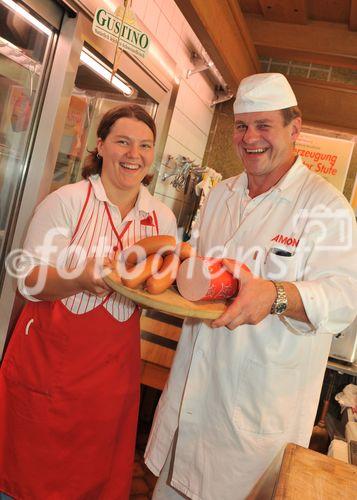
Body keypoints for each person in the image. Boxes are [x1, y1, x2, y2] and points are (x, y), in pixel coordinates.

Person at [144, 73, 357, 499]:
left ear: (294, 129)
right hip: (189, 402)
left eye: (264, 126)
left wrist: (276, 296)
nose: (250, 138)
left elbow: (344, 300)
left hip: (250, 427)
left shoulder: (325, 207)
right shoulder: (221, 195)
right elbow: (198, 273)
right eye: (242, 125)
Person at [0, 104, 177, 499]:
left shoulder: (160, 220)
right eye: (123, 142)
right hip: (47, 363)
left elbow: (153, 292)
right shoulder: (67, 201)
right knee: (24, 480)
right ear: (100, 145)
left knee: (90, 484)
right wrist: (79, 278)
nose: (135, 154)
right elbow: (28, 277)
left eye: (145, 145)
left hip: (112, 378)